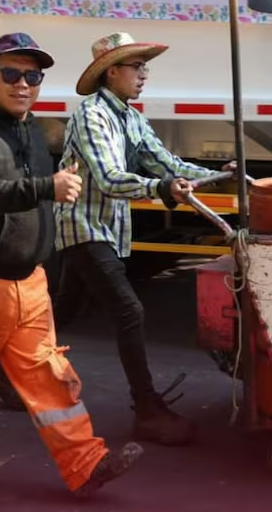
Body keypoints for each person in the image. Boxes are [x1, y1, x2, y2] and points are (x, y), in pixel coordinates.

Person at [0, 31, 142, 499]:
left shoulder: (30, 130)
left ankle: (85, 464)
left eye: (33, 76)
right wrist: (46, 188)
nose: (23, 84)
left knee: (49, 376)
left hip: (28, 284)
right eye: (12, 73)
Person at [52, 32, 231, 447]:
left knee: (65, 308)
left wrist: (218, 172)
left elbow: (167, 164)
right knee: (129, 311)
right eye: (137, 67)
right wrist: (163, 189)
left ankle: (2, 373)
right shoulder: (90, 114)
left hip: (109, 228)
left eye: (145, 67)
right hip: (83, 225)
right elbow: (112, 180)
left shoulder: (131, 118)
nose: (144, 75)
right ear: (112, 72)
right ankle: (147, 409)